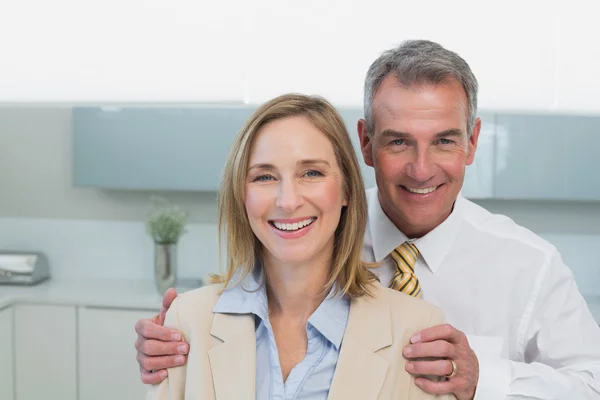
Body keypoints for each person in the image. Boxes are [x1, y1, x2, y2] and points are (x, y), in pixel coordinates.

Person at [137, 41, 600, 399]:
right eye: (398, 142)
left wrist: (483, 380)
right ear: (365, 143)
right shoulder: (309, 228)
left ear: (473, 141)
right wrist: (177, 342)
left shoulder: (528, 265)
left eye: (443, 141)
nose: (421, 169)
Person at [145, 93, 452, 399]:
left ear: (347, 189)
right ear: (242, 195)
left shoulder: (416, 330)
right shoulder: (189, 321)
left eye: (311, 173)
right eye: (264, 176)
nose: (288, 201)